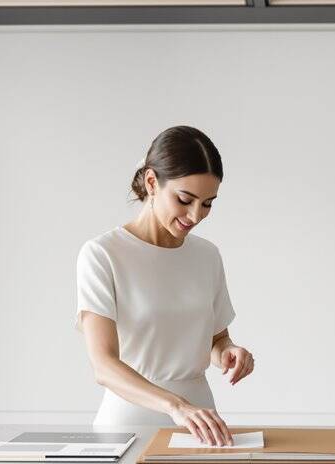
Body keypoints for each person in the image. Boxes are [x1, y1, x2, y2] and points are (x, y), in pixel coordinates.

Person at [75, 126, 255, 447]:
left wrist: (229, 352)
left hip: (201, 428)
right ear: (152, 183)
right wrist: (176, 406)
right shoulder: (103, 254)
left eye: (208, 203)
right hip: (129, 427)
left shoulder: (206, 255)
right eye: (185, 199)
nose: (195, 215)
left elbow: (215, 339)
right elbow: (103, 365)